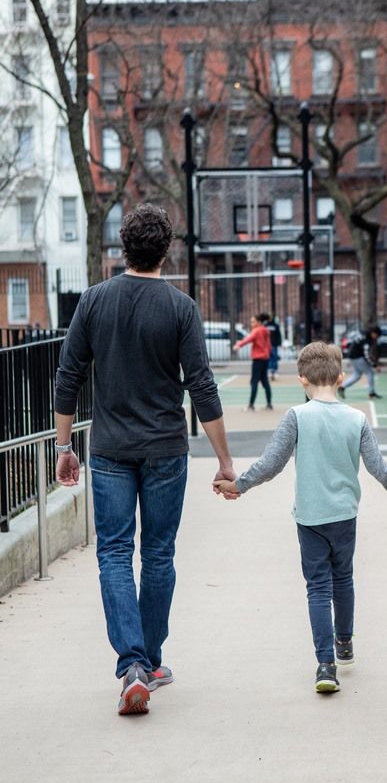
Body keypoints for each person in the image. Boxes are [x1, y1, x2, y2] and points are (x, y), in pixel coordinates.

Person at [54, 203, 236, 716]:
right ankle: (150, 663)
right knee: (158, 554)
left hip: (110, 448)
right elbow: (202, 387)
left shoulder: (93, 301)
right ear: (166, 250)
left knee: (114, 553)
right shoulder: (181, 308)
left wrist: (65, 447)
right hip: (165, 449)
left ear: (123, 246)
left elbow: (68, 377)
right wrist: (224, 460)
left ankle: (131, 663)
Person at [214, 341, 387, 693]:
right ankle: (344, 642)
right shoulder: (356, 419)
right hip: (344, 514)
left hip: (310, 516)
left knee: (317, 587)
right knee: (343, 578)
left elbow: (270, 464)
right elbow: (380, 471)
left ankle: (324, 665)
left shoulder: (297, 417)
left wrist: (238, 485)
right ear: (341, 377)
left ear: (302, 380)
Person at [234, 315, 272, 411]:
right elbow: (269, 346)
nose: (252, 324)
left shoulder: (257, 330)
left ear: (259, 322)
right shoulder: (265, 330)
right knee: (265, 382)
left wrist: (238, 345)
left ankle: (251, 405)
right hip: (265, 359)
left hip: (258, 359)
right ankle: (269, 404)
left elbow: (248, 339)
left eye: (253, 322)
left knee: (254, 381)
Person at [338, 325, 382, 399]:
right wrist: (374, 365)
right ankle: (371, 392)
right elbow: (366, 355)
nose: (377, 337)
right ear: (373, 333)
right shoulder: (366, 340)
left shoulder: (365, 335)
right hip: (357, 357)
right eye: (377, 335)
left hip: (352, 355)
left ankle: (342, 387)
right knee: (370, 372)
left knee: (357, 375)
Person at [262, 312, 282, 381]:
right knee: (268, 358)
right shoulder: (265, 325)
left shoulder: (276, 325)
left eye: (271, 317)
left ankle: (274, 371)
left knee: (274, 357)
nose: (270, 318)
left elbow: (278, 335)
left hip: (274, 344)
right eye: (269, 317)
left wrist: (279, 343)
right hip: (267, 345)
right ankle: (269, 371)